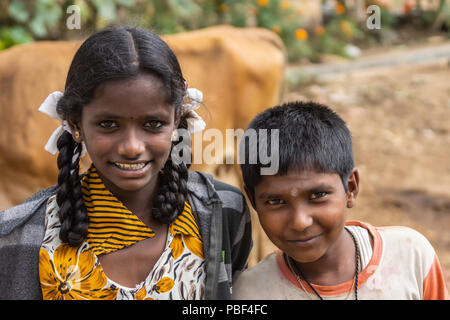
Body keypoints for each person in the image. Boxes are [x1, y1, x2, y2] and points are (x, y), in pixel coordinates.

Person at [0, 26, 252, 300]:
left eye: (153, 124)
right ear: (75, 123)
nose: (132, 147)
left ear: (177, 119)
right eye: (108, 124)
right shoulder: (17, 235)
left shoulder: (224, 212)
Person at [233, 101, 449, 300]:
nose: (300, 222)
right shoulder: (249, 293)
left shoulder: (409, 256)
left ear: (351, 188)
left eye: (318, 196)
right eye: (276, 202)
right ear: (253, 201)